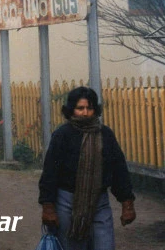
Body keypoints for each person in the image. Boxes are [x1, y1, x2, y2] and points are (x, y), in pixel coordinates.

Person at [39, 86, 136, 250]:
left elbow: (119, 170)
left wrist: (127, 204)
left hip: (100, 204)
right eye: (80, 108)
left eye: (89, 108)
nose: (85, 113)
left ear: (95, 110)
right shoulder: (62, 135)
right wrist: (48, 207)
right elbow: (50, 173)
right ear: (71, 110)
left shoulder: (105, 135)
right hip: (67, 205)